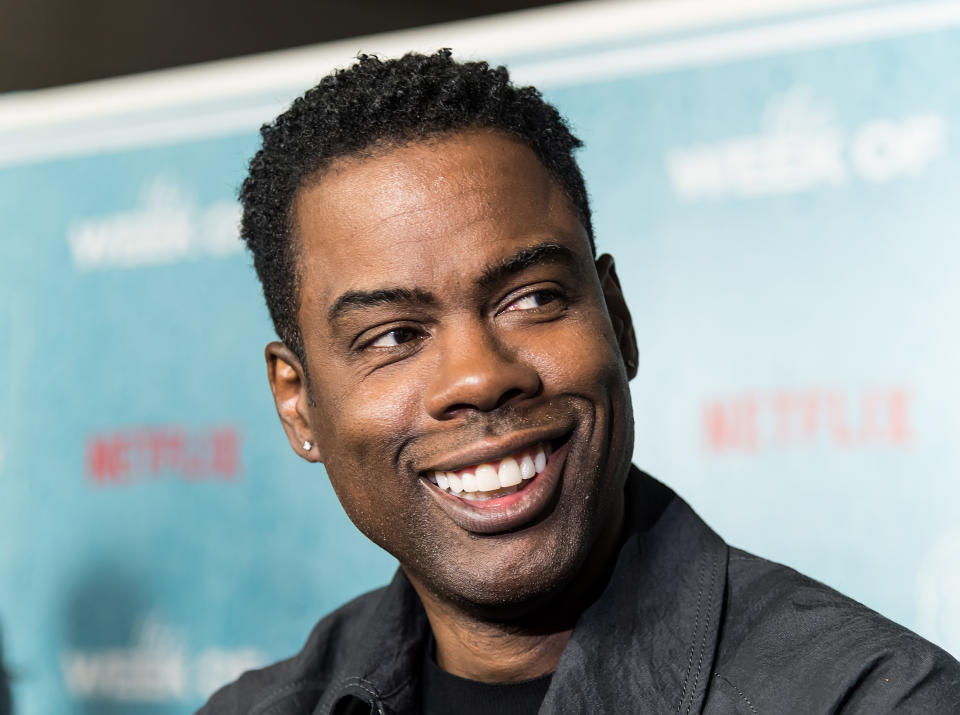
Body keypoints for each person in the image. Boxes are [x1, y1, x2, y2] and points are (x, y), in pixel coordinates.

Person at [200, 50, 960, 714]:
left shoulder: (870, 698)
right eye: (394, 335)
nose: (478, 376)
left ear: (618, 319)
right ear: (297, 404)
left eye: (532, 299)